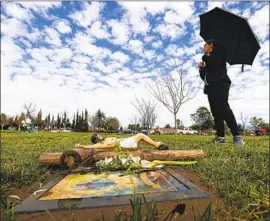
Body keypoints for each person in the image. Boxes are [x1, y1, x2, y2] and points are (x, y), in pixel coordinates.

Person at [198, 39, 244, 146]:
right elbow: (204, 78)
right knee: (216, 112)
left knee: (223, 107)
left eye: (205, 45)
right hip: (211, 87)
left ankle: (237, 136)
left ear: (211, 45)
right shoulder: (208, 60)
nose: (203, 47)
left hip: (220, 83)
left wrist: (206, 56)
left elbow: (214, 61)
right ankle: (221, 137)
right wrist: (201, 69)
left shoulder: (218, 54)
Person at [75, 133, 169, 150]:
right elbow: (93, 147)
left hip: (124, 141)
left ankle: (156, 144)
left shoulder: (104, 140)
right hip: (123, 144)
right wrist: (82, 146)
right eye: (98, 136)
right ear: (96, 139)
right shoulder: (101, 144)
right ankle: (157, 144)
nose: (100, 135)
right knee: (140, 135)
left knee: (140, 136)